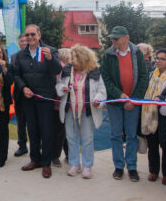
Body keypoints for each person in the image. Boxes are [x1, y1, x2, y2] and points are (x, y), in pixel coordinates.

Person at [12, 24, 62, 178]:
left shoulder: (50, 51)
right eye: (27, 35)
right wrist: (23, 87)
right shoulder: (20, 55)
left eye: (33, 34)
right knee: (32, 130)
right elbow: (16, 75)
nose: (30, 38)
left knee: (46, 131)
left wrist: (50, 59)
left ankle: (46, 163)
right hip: (28, 99)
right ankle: (35, 159)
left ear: (39, 35)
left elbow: (57, 71)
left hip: (45, 98)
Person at [100, 26, 149, 182]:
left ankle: (132, 167)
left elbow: (143, 77)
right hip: (115, 102)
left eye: (116, 38)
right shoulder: (108, 55)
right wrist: (120, 95)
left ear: (126, 38)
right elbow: (105, 79)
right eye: (112, 38)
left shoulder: (137, 53)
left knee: (131, 135)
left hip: (132, 102)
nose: (113, 40)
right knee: (115, 135)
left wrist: (133, 99)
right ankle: (119, 166)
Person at [56, 45, 106, 178]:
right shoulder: (67, 70)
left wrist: (97, 100)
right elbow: (59, 85)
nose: (72, 61)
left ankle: (87, 166)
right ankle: (74, 164)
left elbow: (102, 91)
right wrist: (62, 88)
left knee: (87, 138)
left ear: (83, 59)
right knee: (71, 138)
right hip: (69, 111)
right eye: (71, 58)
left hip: (87, 111)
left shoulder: (94, 72)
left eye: (74, 58)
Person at [142, 49, 166, 185]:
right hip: (149, 114)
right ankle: (153, 171)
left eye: (162, 59)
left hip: (165, 115)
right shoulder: (151, 74)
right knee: (152, 144)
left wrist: (161, 98)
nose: (158, 61)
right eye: (157, 58)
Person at [12, 34, 29, 157]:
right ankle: (22, 146)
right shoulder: (14, 57)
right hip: (18, 94)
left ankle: (37, 146)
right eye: (21, 41)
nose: (23, 43)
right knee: (20, 122)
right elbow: (13, 74)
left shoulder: (34, 55)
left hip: (32, 94)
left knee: (35, 123)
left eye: (25, 41)